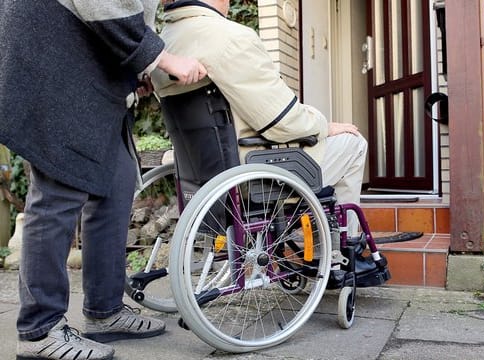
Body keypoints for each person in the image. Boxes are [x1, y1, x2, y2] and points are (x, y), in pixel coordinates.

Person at [0, 1, 206, 359]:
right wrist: (162, 58)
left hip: (89, 65)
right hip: (56, 60)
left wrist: (139, 67)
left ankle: (104, 312)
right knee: (58, 193)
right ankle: (39, 331)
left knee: (117, 180)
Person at [152, 0, 367, 215]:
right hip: (253, 179)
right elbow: (284, 122)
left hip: (203, 182)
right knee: (354, 143)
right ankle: (347, 243)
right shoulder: (230, 38)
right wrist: (324, 125)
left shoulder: (162, 47)